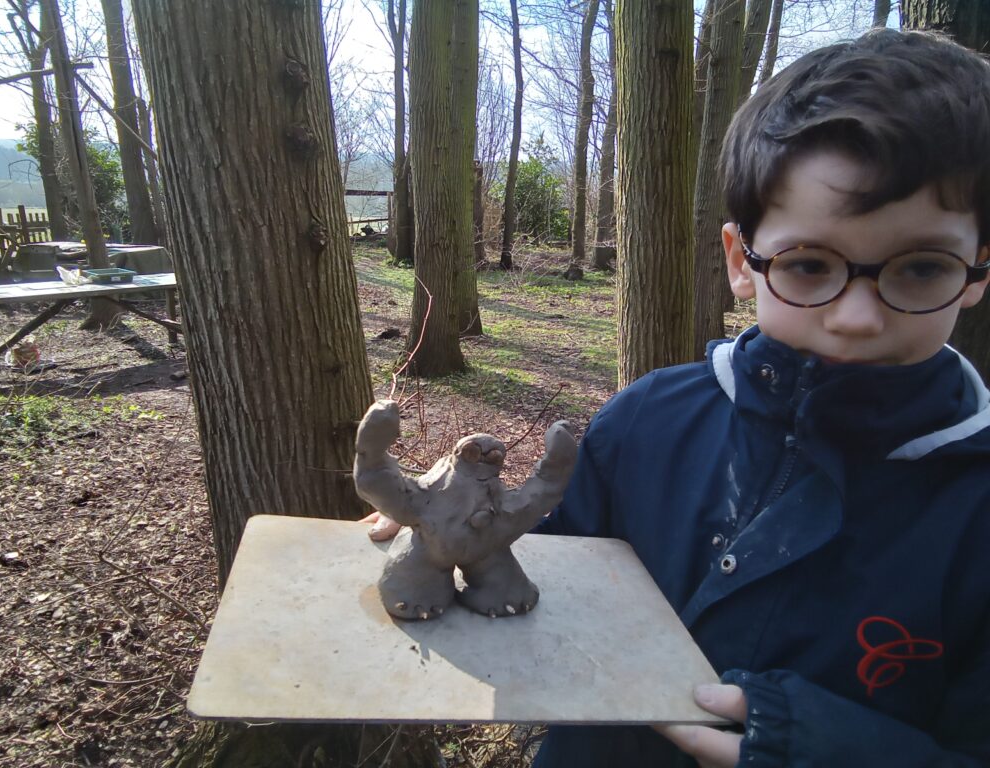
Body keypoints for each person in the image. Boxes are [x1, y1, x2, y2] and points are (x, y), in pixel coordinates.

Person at [367, 28, 990, 767]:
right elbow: (557, 580)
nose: (856, 315)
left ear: (979, 270)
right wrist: (460, 531)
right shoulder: (647, 420)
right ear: (741, 261)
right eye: (810, 264)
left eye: (920, 269)